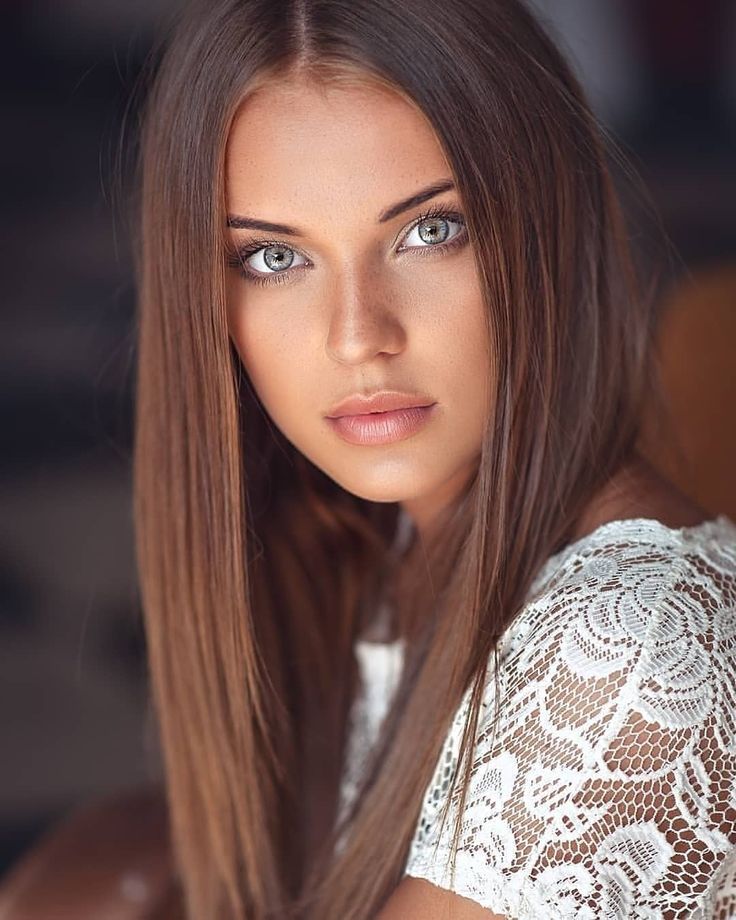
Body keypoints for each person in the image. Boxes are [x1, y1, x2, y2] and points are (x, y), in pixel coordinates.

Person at [2, 0, 736, 917]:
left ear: (553, 222)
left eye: (430, 231)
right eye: (273, 257)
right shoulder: (386, 545)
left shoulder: (625, 654)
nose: (359, 339)